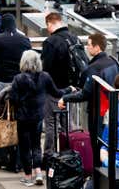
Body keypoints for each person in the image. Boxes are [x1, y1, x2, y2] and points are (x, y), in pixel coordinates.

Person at [11, 50, 72, 186]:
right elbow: (56, 92)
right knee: (36, 144)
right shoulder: (45, 77)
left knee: (25, 147)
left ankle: (28, 176)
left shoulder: (18, 79)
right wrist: (69, 89)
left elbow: (13, 99)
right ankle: (38, 172)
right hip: (38, 116)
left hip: (23, 117)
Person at [59, 33, 119, 154]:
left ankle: (97, 171)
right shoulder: (113, 62)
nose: (87, 47)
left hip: (98, 112)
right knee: (111, 142)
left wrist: (65, 98)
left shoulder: (94, 68)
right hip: (113, 109)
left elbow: (85, 94)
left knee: (97, 144)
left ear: (97, 47)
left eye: (89, 45)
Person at [41, 12, 79, 160]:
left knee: (51, 123)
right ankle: (68, 153)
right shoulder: (74, 38)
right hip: (71, 89)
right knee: (66, 123)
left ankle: (49, 155)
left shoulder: (51, 42)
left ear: (50, 24)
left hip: (54, 89)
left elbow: (46, 68)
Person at [0, 13, 32, 94]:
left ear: (2, 25)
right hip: (20, 80)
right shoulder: (25, 39)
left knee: (1, 103)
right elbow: (30, 60)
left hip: (3, 80)